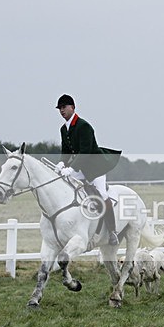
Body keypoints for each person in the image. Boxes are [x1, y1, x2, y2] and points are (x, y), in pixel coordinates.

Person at [53, 94, 122, 246]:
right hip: (79, 167)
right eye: (60, 108)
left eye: (64, 107)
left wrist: (71, 168)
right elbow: (66, 152)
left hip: (95, 167)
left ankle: (112, 231)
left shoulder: (83, 126)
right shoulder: (64, 129)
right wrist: (60, 164)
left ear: (72, 107)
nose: (62, 111)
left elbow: (85, 151)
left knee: (102, 194)